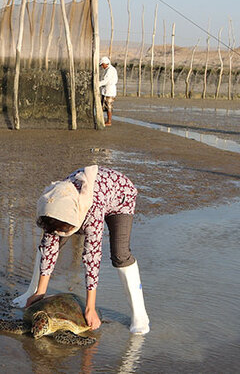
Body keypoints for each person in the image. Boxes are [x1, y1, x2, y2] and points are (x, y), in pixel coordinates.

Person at [23, 166, 150, 334]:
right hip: (74, 202)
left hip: (120, 195)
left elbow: (92, 259)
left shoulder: (92, 213)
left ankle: (140, 315)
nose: (60, 233)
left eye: (64, 229)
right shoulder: (53, 202)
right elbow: (49, 249)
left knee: (120, 255)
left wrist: (90, 308)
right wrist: (41, 292)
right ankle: (31, 292)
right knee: (49, 244)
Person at [99, 56, 117, 126]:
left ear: (105, 63)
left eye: (102, 65)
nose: (102, 66)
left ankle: (109, 121)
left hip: (110, 90)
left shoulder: (110, 70)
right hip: (106, 90)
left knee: (109, 106)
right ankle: (103, 120)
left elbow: (106, 81)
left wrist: (97, 84)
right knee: (103, 105)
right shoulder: (108, 69)